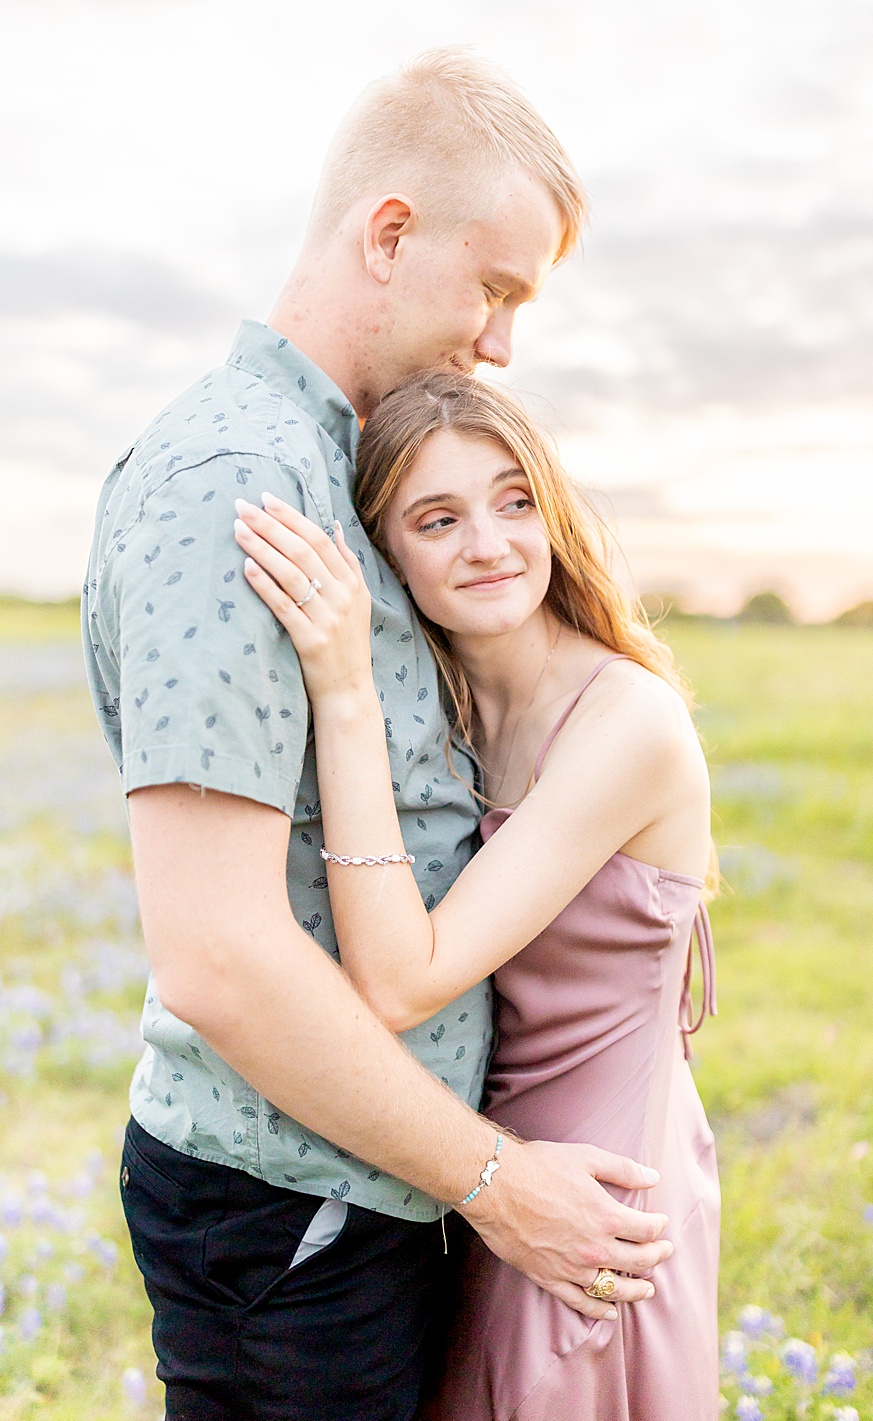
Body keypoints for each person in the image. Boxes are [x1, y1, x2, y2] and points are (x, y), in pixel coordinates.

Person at [83, 50, 669, 1421]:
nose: (504, 341)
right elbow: (218, 952)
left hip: (363, 1184)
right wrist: (490, 1177)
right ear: (389, 234)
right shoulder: (236, 484)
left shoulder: (340, 469)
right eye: (498, 288)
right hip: (295, 1206)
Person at [231, 370, 720, 1420]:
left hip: (593, 1177)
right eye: (437, 518)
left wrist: (345, 689)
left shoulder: (624, 719)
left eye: (513, 501)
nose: (490, 543)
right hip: (482, 1164)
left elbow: (402, 979)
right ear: (383, 553)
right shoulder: (450, 709)